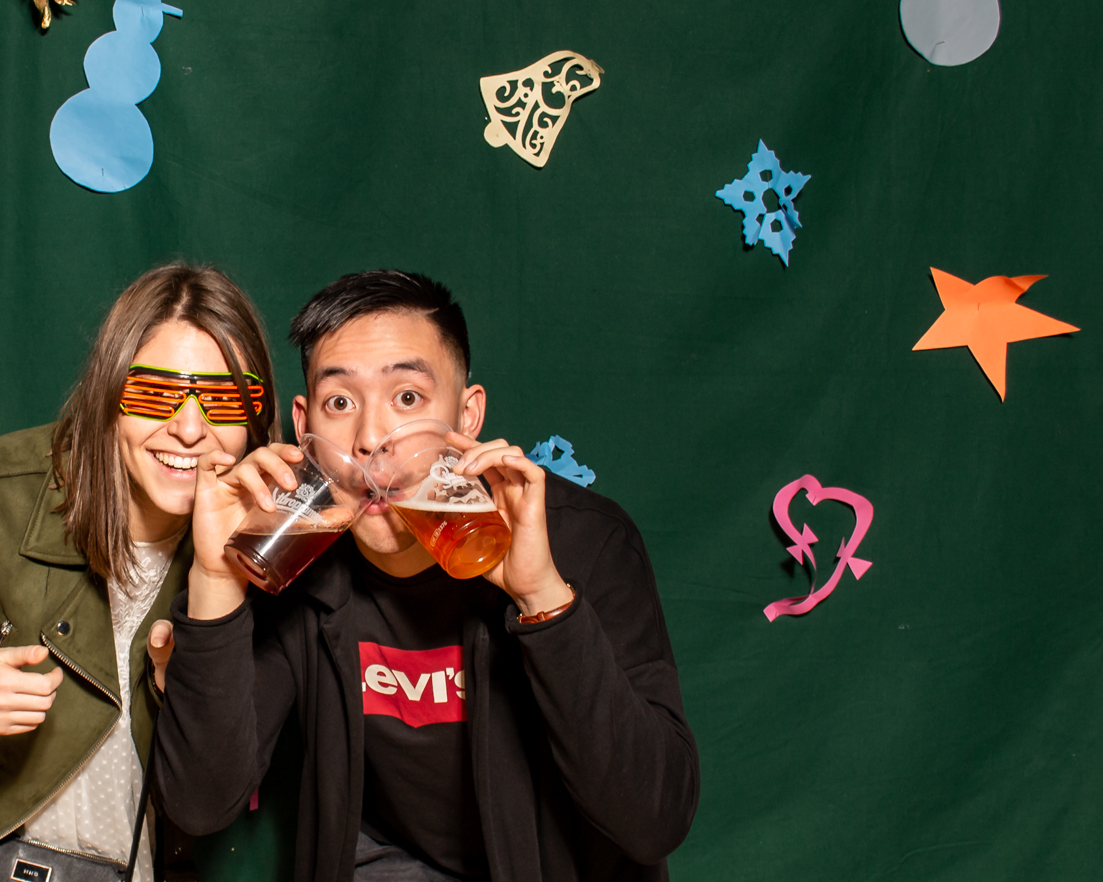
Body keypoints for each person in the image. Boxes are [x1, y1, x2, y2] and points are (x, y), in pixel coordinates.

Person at [153, 270, 699, 882]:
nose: (371, 439)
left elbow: (656, 821)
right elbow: (200, 804)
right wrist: (215, 578)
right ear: (304, 429)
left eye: (408, 398)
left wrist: (542, 597)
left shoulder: (584, 541)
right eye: (340, 403)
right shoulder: (297, 556)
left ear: (467, 417)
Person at [0, 263, 276, 882]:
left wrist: (216, 593)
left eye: (225, 400)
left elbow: (212, 797)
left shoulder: (265, 547)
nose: (189, 429)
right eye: (154, 393)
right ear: (109, 393)